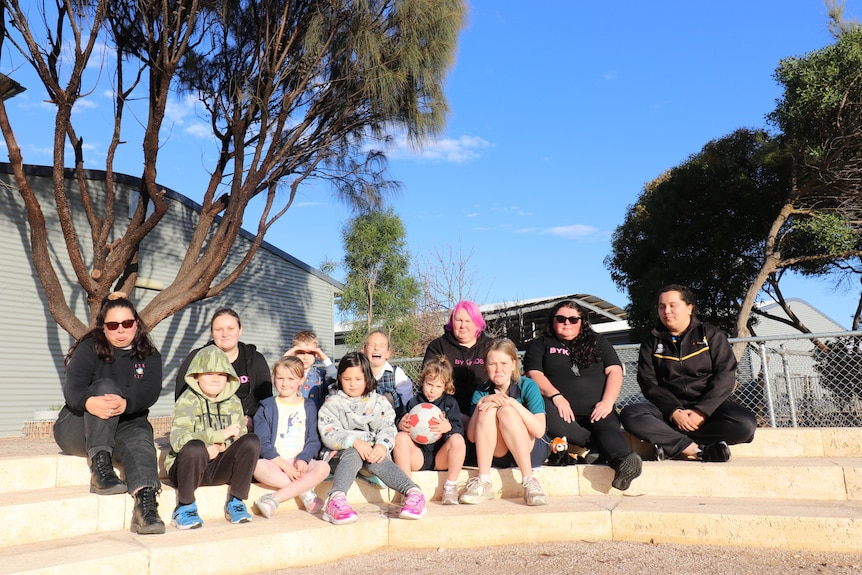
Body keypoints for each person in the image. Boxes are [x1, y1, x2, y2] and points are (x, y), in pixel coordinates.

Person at [53, 292, 165, 535]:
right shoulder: (88, 348)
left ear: (136, 323)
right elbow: (72, 389)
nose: (120, 330)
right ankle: (100, 469)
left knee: (141, 435)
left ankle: (146, 507)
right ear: (104, 328)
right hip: (76, 426)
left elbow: (150, 393)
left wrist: (127, 405)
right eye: (113, 325)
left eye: (127, 323)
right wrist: (88, 402)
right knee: (105, 388)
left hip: (122, 426)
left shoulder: (150, 356)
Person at [620, 284, 757, 462]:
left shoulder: (711, 335)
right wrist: (674, 411)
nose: (666, 311)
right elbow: (648, 382)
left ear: (689, 308)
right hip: (669, 412)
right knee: (630, 414)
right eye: (662, 306)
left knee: (745, 425)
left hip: (708, 410)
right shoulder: (651, 342)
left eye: (672, 305)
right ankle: (698, 450)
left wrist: (702, 411)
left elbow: (725, 374)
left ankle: (672, 444)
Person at [523, 300, 642, 491]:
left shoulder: (598, 341)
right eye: (561, 318)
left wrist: (607, 402)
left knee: (608, 428)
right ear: (553, 320)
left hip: (597, 407)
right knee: (547, 417)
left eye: (573, 319)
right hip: (559, 409)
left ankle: (622, 464)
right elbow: (534, 374)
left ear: (582, 321)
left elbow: (615, 371)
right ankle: (596, 447)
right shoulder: (540, 344)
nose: (566, 323)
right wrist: (556, 396)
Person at [317, 352, 427, 524]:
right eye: (347, 379)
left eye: (358, 379)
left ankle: (413, 493)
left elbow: (387, 428)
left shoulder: (378, 402)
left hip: (371, 456)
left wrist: (382, 446)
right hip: (339, 457)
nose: (352, 384)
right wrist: (354, 442)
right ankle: (336, 499)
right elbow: (328, 432)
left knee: (378, 457)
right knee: (353, 453)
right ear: (339, 378)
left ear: (367, 378)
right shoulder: (332, 403)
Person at [166, 346, 261, 529]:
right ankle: (185, 507)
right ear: (196, 376)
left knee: (251, 441)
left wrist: (220, 445)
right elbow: (178, 440)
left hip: (218, 467)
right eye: (209, 373)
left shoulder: (233, 401)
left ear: (229, 378)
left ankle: (237, 501)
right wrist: (216, 436)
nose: (215, 379)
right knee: (194, 447)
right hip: (187, 469)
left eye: (221, 374)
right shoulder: (187, 400)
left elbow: (238, 435)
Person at [460, 338, 548, 506]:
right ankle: (484, 482)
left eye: (504, 363)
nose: (498, 369)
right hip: (498, 452)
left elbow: (539, 430)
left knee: (507, 411)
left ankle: (529, 481)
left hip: (530, 450)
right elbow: (472, 436)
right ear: (486, 366)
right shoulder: (482, 390)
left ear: (514, 364)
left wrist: (511, 403)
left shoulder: (527, 386)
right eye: (492, 364)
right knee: (487, 410)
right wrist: (483, 402)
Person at [252, 356, 330, 518]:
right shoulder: (266, 407)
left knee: (324, 468)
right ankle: (306, 493)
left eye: (291, 379)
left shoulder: (308, 406)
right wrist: (285, 466)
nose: (285, 383)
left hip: (301, 463)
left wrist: (304, 458)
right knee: (257, 466)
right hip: (275, 463)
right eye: (280, 378)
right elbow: (263, 443)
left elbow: (313, 440)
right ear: (273, 378)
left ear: (301, 380)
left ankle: (274, 499)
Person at [175, 308, 272, 430]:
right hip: (205, 427)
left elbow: (266, 400)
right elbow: (181, 398)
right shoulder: (197, 358)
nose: (225, 334)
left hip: (246, 426)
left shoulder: (255, 359)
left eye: (230, 329)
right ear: (211, 332)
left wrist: (253, 418)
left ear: (240, 330)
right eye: (218, 329)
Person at [393, 355, 467, 505]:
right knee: (400, 437)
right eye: (429, 384)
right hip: (418, 456)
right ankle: (408, 489)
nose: (432, 390)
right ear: (422, 382)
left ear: (445, 386)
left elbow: (459, 429)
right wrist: (400, 424)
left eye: (438, 386)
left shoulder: (450, 403)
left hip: (441, 458)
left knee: (458, 440)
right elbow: (398, 421)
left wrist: (449, 428)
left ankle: (450, 487)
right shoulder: (413, 403)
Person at [423, 301, 493, 423]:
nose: (462, 325)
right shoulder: (438, 346)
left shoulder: (491, 346)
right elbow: (429, 382)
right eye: (458, 320)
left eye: (468, 321)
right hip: (448, 412)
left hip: (484, 410)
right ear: (451, 322)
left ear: (477, 323)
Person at [362, 330, 414, 414]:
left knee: (388, 395)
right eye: (372, 345)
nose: (376, 348)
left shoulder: (396, 373)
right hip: (364, 420)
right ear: (364, 351)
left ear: (388, 353)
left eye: (382, 345)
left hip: (393, 421)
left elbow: (407, 401)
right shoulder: (358, 374)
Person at [284, 330, 337, 407]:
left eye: (310, 353)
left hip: (315, 417)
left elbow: (334, 380)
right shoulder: (290, 372)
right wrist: (290, 353)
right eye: (301, 352)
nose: (306, 357)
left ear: (316, 353)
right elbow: (279, 370)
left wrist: (325, 358)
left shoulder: (320, 375)